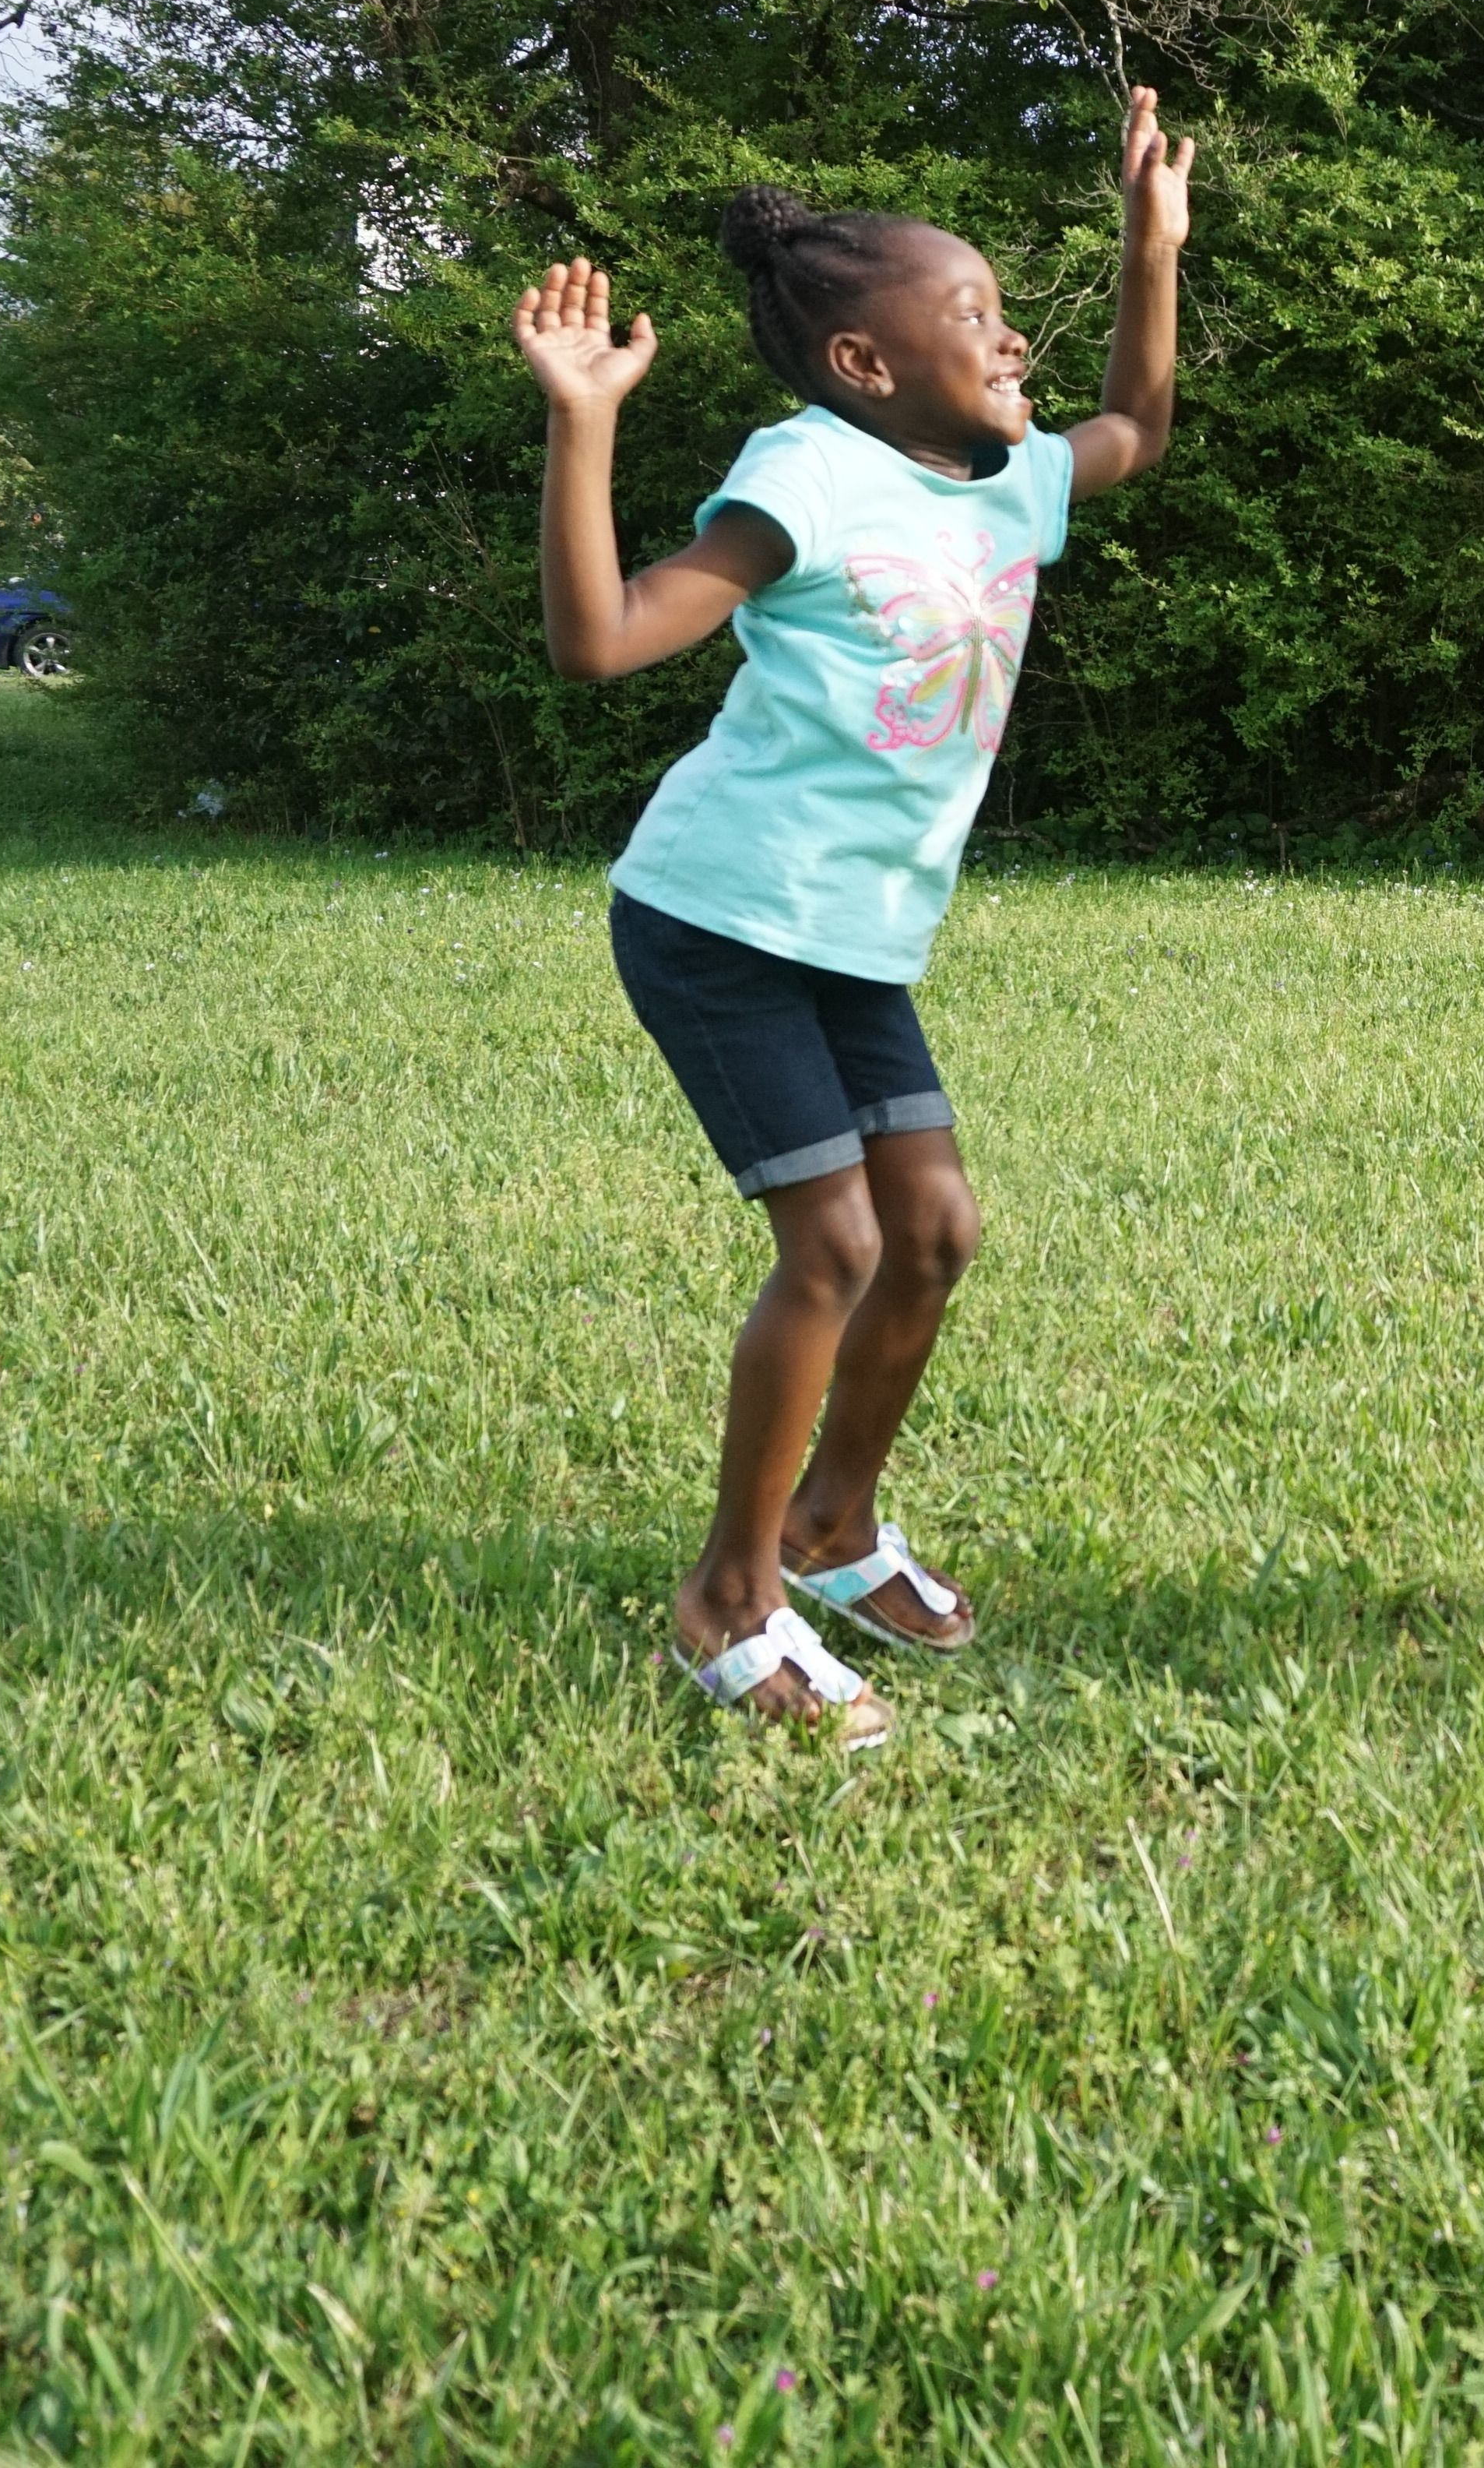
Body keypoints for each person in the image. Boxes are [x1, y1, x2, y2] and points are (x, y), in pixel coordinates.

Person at [522, 87, 1193, 1737]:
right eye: (969, 309)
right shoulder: (807, 471)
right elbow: (601, 640)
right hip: (727, 919)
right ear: (865, 364)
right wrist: (584, 418)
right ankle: (726, 1596)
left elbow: (1141, 430)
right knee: (835, 1246)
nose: (1009, 328)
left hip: (856, 939)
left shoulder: (1010, 479)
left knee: (937, 1233)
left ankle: (831, 1522)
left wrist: (1150, 249)